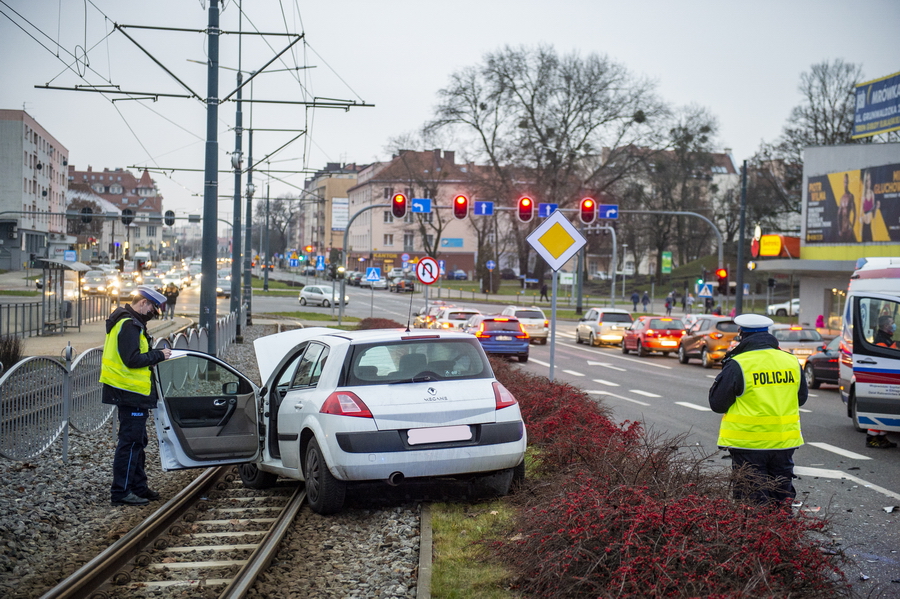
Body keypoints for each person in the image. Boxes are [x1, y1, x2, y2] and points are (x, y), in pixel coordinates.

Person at [708, 314, 807, 505]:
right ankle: (782, 532)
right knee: (781, 497)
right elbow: (800, 398)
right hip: (784, 442)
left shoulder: (739, 363)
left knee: (752, 501)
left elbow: (717, 404)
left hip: (749, 444)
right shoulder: (791, 361)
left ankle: (756, 534)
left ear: (741, 334)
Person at [100, 286, 173, 506]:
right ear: (143, 303)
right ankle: (121, 492)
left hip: (132, 393)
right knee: (130, 444)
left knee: (138, 441)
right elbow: (132, 359)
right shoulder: (129, 325)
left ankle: (139, 487)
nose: (152, 313)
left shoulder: (128, 322)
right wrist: (158, 355)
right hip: (128, 393)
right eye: (152, 308)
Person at [867, 314, 898, 448]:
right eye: (891, 323)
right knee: (880, 409)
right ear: (886, 326)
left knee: (886, 409)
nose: (894, 325)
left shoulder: (886, 338)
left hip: (887, 377)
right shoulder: (881, 340)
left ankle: (881, 437)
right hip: (882, 378)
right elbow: (885, 356)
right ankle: (871, 438)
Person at [837, 173, 857, 243]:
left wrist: (851, 228)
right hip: (842, 230)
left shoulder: (850, 196)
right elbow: (839, 215)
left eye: (846, 182)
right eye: (844, 182)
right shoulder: (842, 198)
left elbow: (854, 213)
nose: (845, 184)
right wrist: (839, 230)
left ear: (848, 183)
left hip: (848, 229)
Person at [860, 169, 879, 243]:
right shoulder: (863, 197)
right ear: (865, 182)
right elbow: (860, 217)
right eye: (867, 180)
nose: (869, 182)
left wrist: (876, 207)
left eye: (870, 180)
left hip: (870, 226)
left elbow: (874, 215)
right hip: (864, 227)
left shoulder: (872, 194)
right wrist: (863, 217)